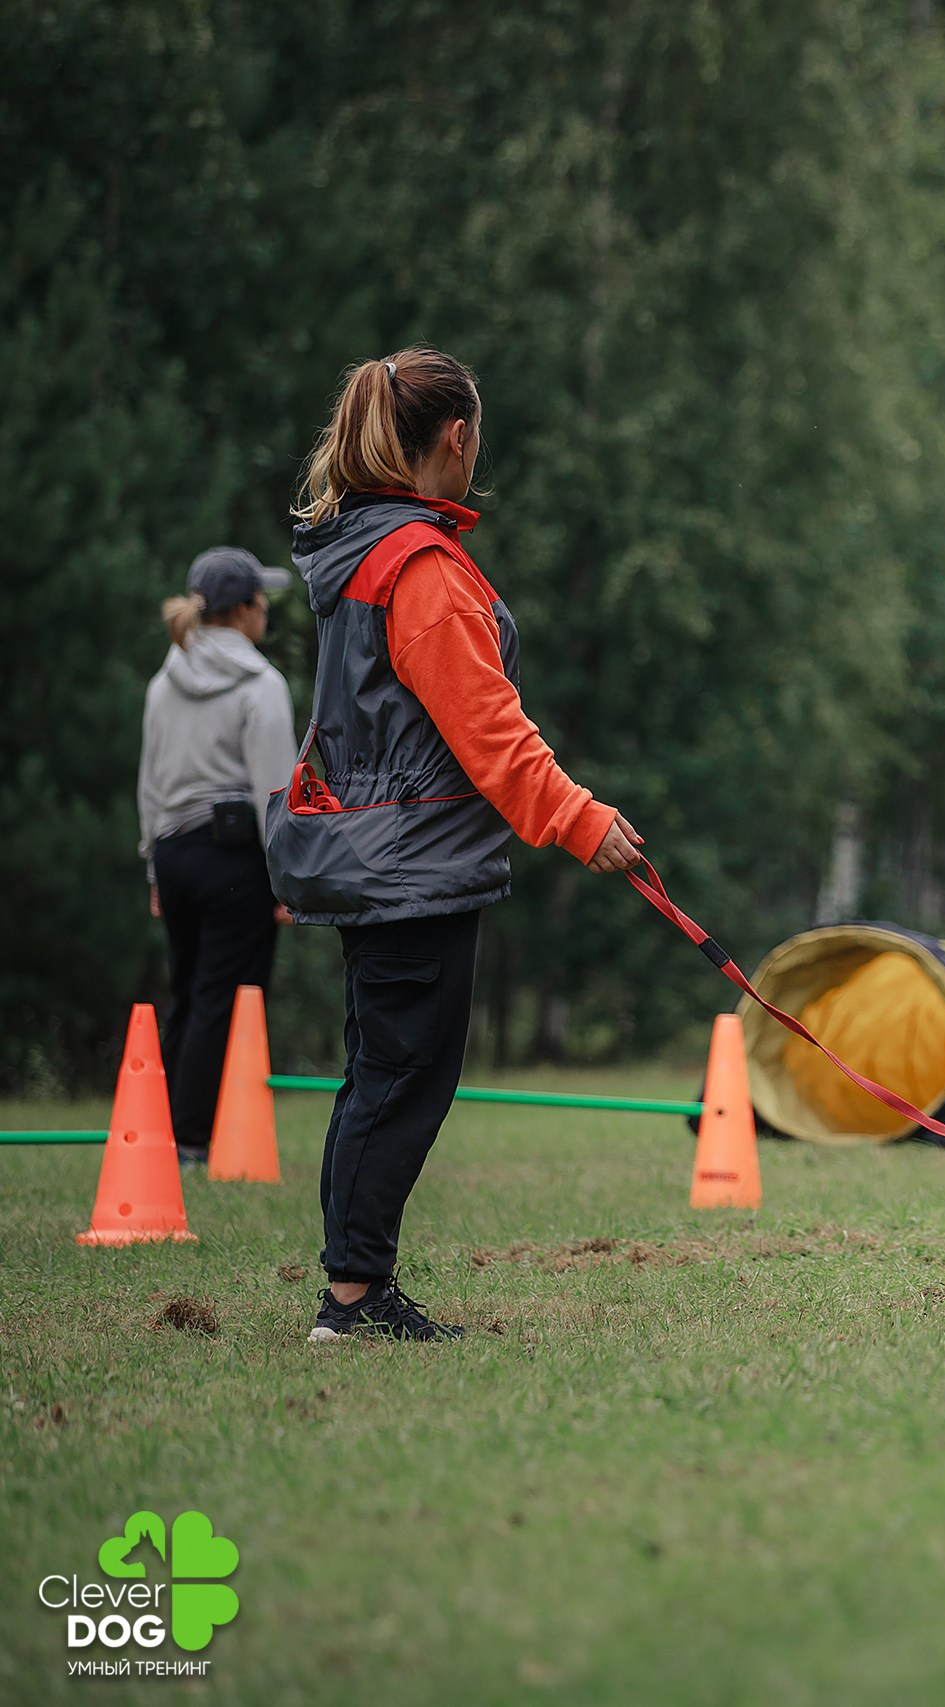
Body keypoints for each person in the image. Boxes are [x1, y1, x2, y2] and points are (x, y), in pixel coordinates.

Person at [271, 347, 644, 1342]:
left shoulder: (365, 551)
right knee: (400, 1079)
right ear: (458, 437)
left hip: (386, 857)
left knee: (383, 1074)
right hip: (411, 868)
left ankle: (357, 1290)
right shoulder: (419, 569)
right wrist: (580, 818)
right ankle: (351, 1301)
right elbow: (490, 731)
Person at [138, 548, 299, 1165]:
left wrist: (156, 866)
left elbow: (149, 785)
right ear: (243, 611)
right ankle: (193, 1139)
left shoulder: (162, 681)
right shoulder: (260, 684)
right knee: (226, 996)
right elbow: (274, 791)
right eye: (261, 601)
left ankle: (163, 1131)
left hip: (175, 852)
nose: (266, 612)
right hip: (235, 857)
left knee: (188, 990)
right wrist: (287, 880)